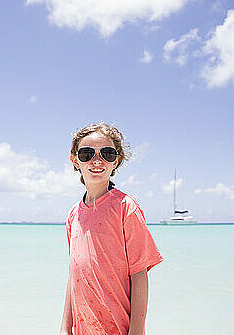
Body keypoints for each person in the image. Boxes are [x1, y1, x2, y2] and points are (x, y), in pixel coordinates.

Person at [60, 123, 163, 335]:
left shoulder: (126, 208)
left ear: (115, 161)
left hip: (118, 328)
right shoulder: (73, 215)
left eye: (106, 153)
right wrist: (65, 327)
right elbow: (74, 274)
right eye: (87, 153)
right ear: (75, 160)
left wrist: (137, 330)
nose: (97, 161)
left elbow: (139, 274)